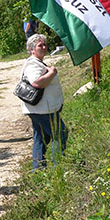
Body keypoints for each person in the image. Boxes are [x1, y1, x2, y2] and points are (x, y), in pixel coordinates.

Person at [20, 34, 68, 169]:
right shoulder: (32, 63)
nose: (44, 47)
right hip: (42, 109)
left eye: (45, 45)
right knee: (61, 134)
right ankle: (56, 166)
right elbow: (36, 83)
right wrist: (52, 73)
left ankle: (39, 169)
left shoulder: (38, 62)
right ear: (31, 49)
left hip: (39, 108)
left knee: (40, 137)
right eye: (40, 45)